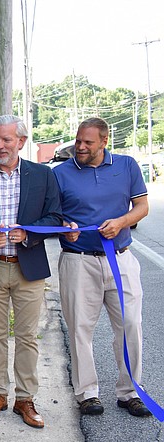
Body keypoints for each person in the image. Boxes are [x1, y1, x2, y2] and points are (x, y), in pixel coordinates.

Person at [54, 117, 151, 418]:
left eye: (87, 143)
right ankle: (87, 394)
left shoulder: (127, 166)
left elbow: (142, 206)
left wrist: (122, 222)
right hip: (78, 260)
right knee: (80, 329)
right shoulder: (60, 173)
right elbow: (51, 215)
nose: (80, 147)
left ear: (104, 141)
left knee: (131, 325)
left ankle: (130, 391)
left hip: (120, 258)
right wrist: (64, 227)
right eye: (78, 141)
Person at [0, 115, 62, 428]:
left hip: (29, 268)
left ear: (21, 142)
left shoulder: (43, 175)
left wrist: (30, 233)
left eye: (6, 140)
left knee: (26, 337)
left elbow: (55, 217)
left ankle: (25, 398)